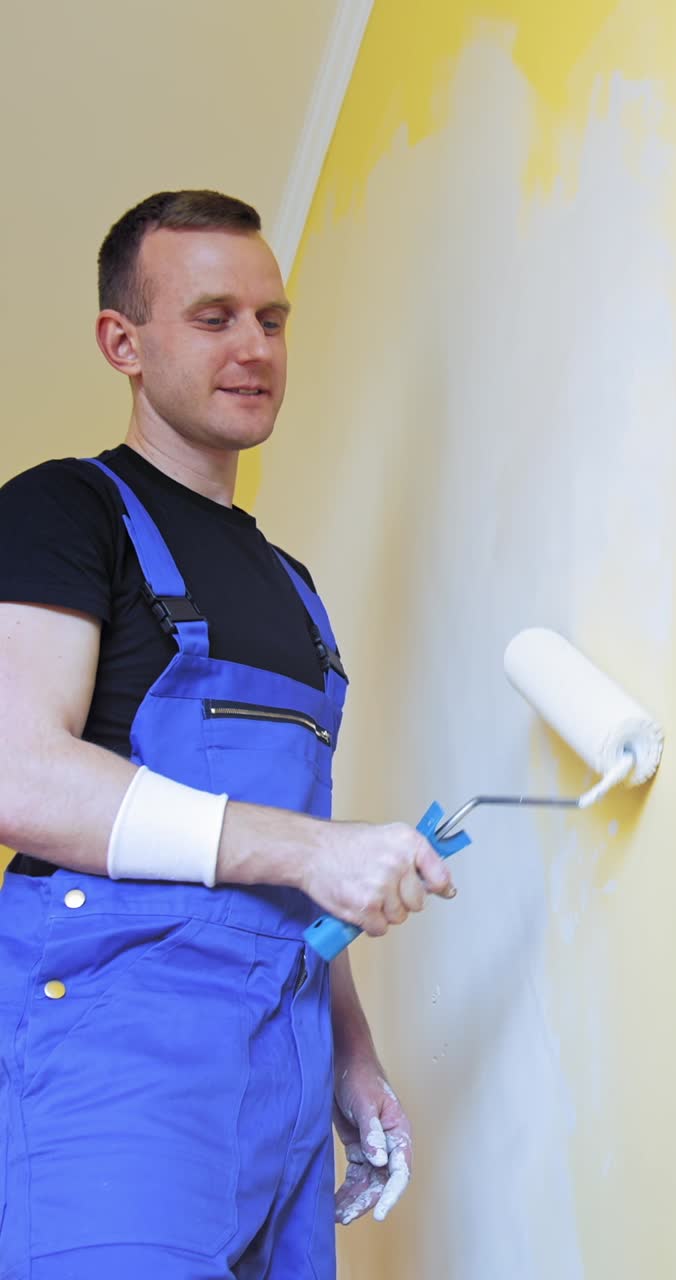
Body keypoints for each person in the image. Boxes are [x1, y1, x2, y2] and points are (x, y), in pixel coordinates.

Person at [0, 190, 454, 1279]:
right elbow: (17, 772)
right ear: (125, 339)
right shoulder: (67, 512)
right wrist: (316, 850)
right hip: (118, 1069)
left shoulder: (293, 590)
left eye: (272, 318)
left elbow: (291, 845)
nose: (254, 347)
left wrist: (351, 1054)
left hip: (284, 1075)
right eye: (213, 317)